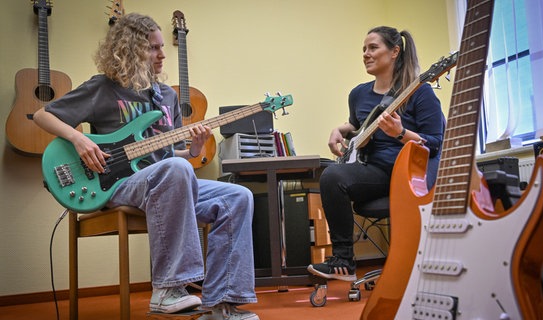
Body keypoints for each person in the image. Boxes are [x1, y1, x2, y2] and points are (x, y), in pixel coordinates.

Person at [33, 13, 259, 320]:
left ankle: (223, 304)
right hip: (117, 184)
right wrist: (79, 140)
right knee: (176, 171)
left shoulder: (166, 95)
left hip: (166, 181)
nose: (162, 55)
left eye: (163, 47)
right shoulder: (103, 87)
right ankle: (168, 289)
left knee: (238, 197)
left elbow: (171, 155)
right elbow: (43, 115)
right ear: (129, 49)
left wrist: (192, 149)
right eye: (153, 48)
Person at [307, 26, 445, 281]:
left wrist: (401, 133)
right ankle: (344, 261)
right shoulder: (358, 94)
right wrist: (341, 129)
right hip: (374, 171)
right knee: (331, 176)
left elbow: (436, 143)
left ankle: (346, 261)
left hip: (407, 173)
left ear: (394, 52)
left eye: (373, 48)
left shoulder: (419, 92)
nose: (366, 54)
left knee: (332, 175)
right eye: (364, 49)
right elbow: (361, 127)